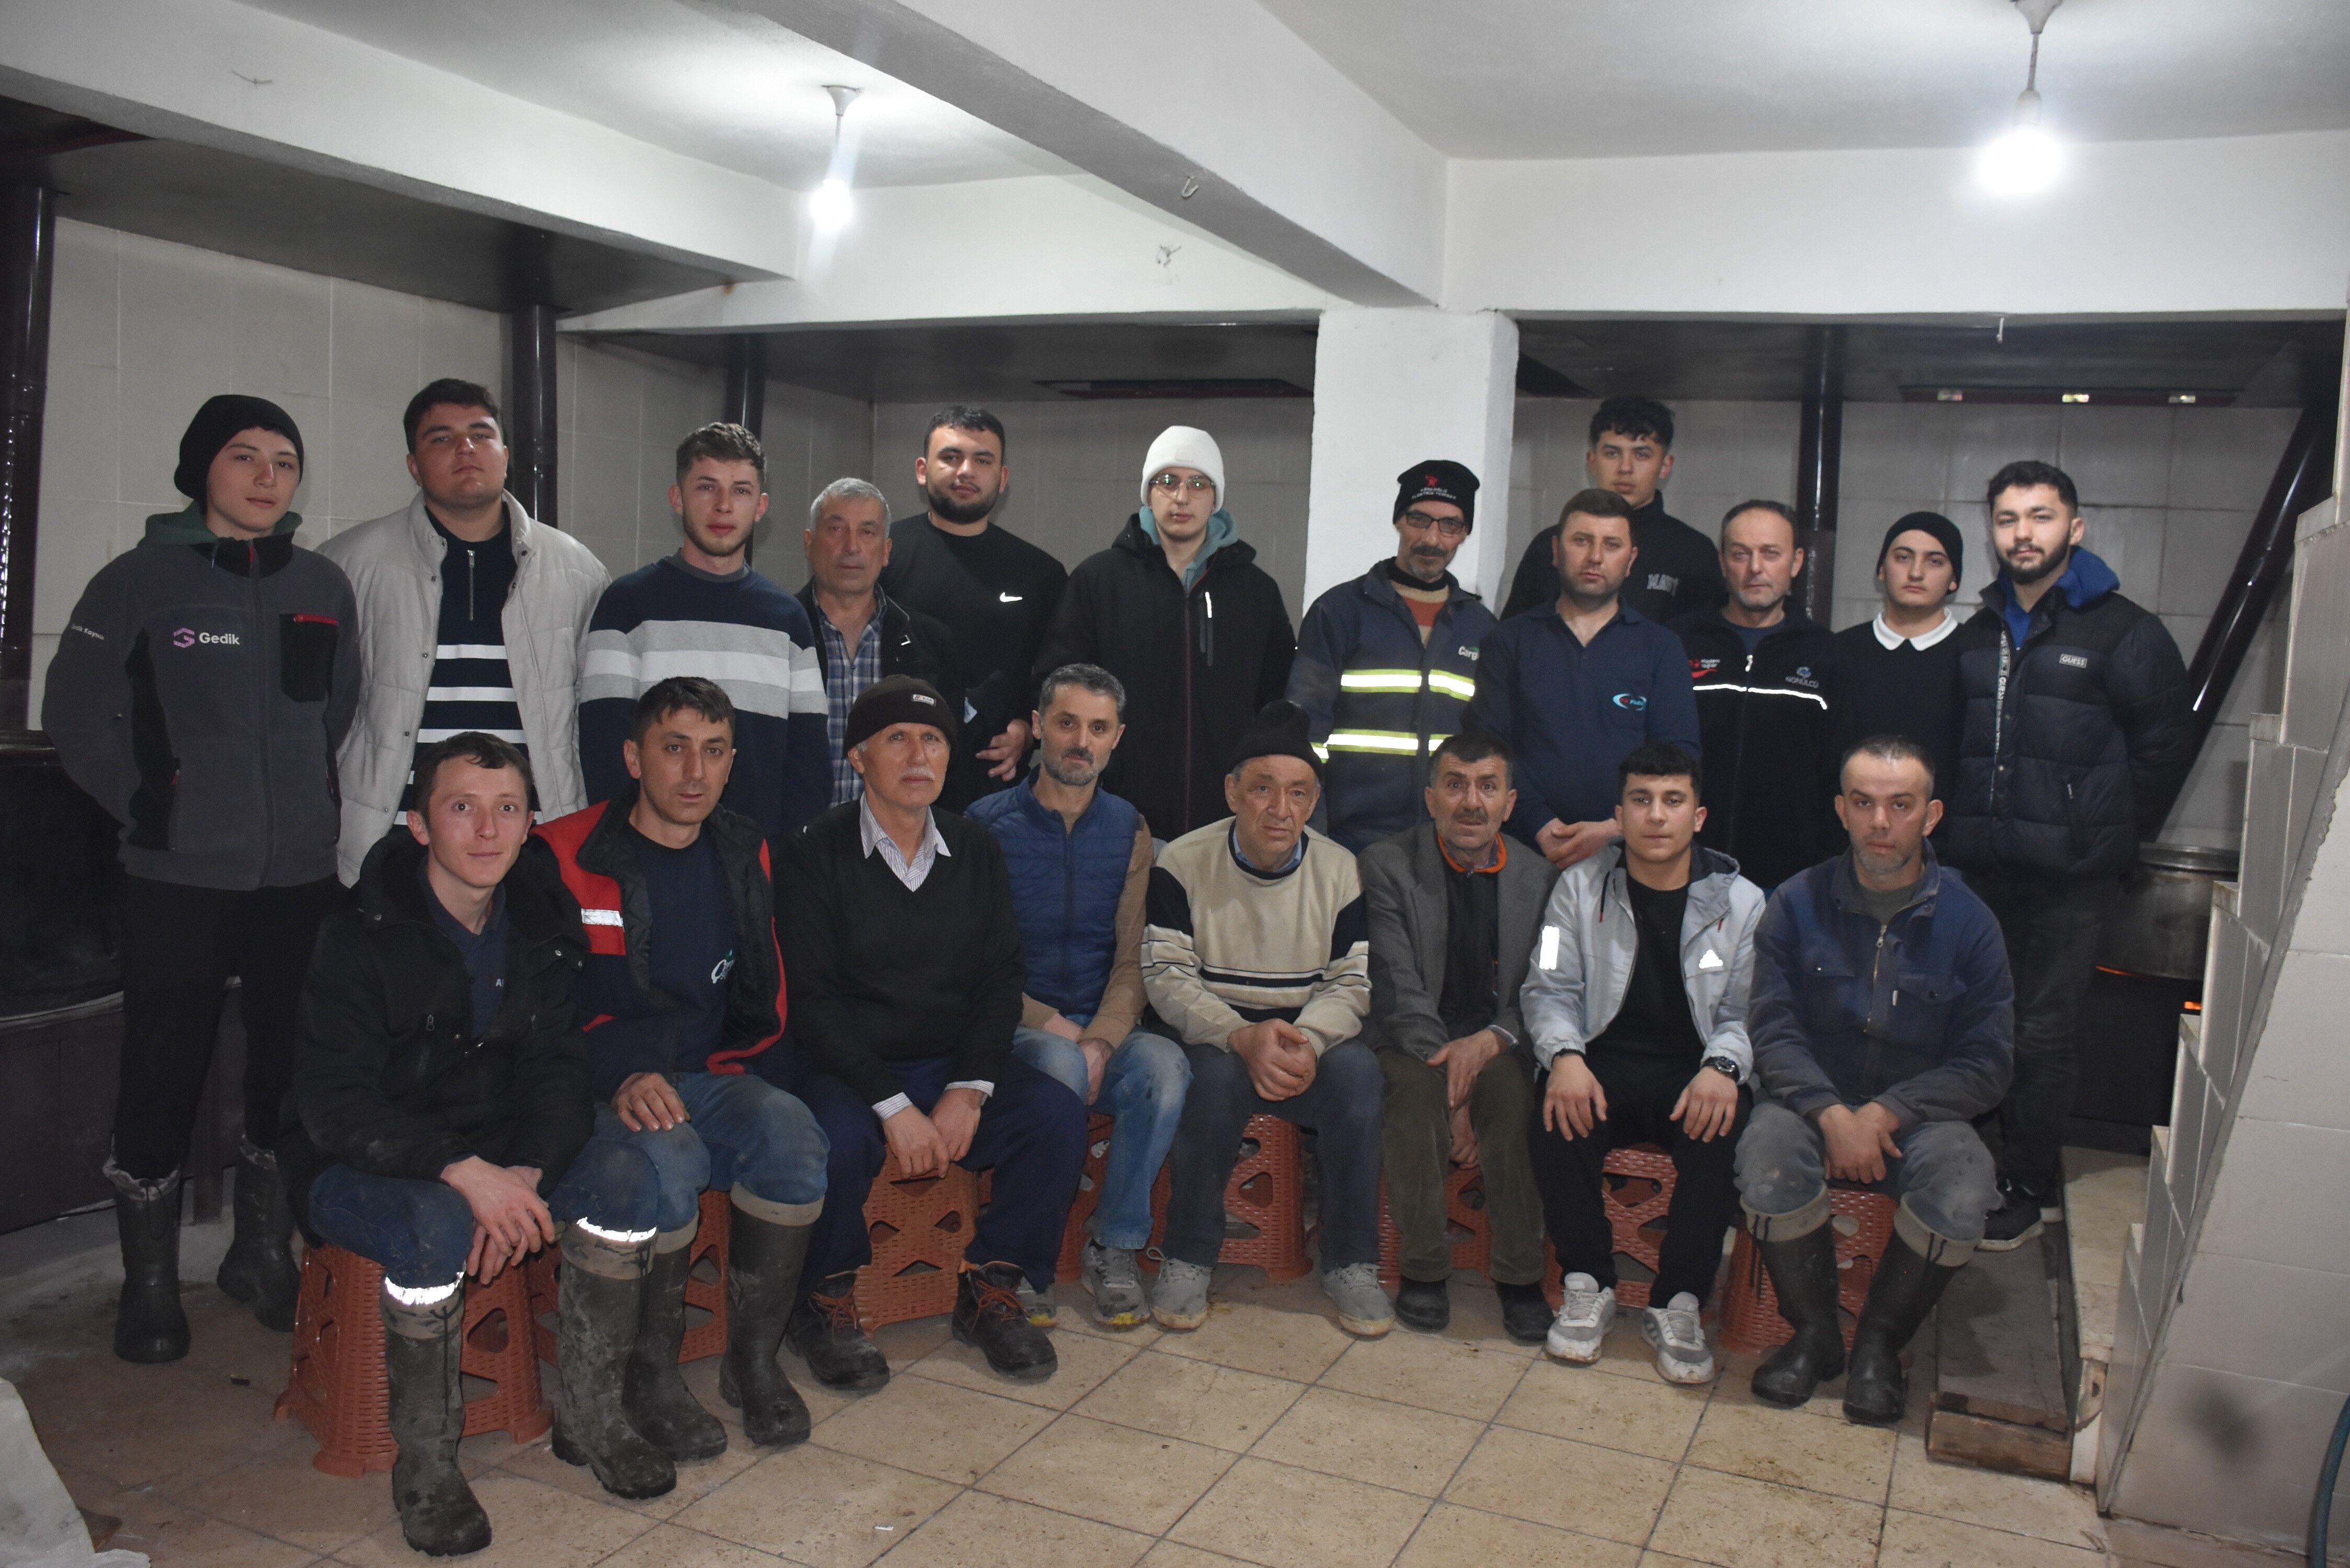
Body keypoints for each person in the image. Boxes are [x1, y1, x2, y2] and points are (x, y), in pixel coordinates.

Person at [282, 733, 657, 1553]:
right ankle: (426, 1464)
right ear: (420, 825)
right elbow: (332, 1104)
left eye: (507, 809)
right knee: (435, 1224)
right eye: (462, 808)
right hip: (358, 1160)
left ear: (529, 825)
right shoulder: (356, 933)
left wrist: (524, 1173)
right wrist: (462, 1173)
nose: (487, 831)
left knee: (627, 1179)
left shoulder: (539, 923)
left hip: (495, 1146)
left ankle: (593, 1414)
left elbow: (560, 1072)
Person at [44, 395, 359, 1361]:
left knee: (286, 1066)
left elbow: (335, 712)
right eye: (244, 457)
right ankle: (149, 1285)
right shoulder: (137, 582)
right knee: (162, 1067)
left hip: (298, 874)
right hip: (176, 875)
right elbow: (76, 716)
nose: (267, 478)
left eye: (284, 461)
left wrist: (303, 804)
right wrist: (158, 805)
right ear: (200, 469)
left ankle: (257, 1254)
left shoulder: (323, 584)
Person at [536, 676, 828, 1471]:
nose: (694, 772)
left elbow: (762, 987)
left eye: (714, 751)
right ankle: (651, 1377)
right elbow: (538, 1010)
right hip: (596, 1082)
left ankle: (751, 1361)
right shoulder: (563, 853)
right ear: (634, 758)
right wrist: (621, 1070)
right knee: (669, 1155)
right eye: (674, 748)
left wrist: (772, 1082)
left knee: (794, 1135)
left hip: (708, 1074)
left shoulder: (743, 847)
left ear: (732, 762)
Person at [778, 677, 1088, 1387]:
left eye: (934, 740)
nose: (919, 756)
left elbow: (1000, 980)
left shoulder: (975, 848)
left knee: (1054, 1116)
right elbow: (812, 1001)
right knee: (831, 1140)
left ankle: (991, 1287)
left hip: (949, 1062)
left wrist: (969, 1090)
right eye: (897, 739)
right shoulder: (811, 851)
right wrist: (893, 1106)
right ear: (858, 757)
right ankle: (822, 1302)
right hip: (850, 1069)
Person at [1945, 462, 2192, 1248]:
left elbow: (2165, 747)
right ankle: (1976, 1166)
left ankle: (2029, 1186)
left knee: (2043, 1036)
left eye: (2040, 516)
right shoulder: (1978, 632)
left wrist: (2103, 835)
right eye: (2007, 518)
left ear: (2074, 528)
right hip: (1983, 871)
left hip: (2070, 882)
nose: (2023, 533)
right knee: (1979, 1025)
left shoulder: (2124, 631)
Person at [1736, 736, 2014, 1424]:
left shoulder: (1971, 925)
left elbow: (1987, 1063)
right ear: (1841, 810)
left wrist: (1885, 1114)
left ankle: (1879, 1346)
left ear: (1932, 815)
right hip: (1808, 1103)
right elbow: (1772, 1030)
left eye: (1900, 805)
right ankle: (1815, 1335)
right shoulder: (1795, 904)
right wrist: (1831, 1114)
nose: (1880, 823)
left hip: (1922, 1117)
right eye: (1863, 804)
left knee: (1965, 1185)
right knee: (1766, 1157)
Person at [1520, 743, 1762, 1383]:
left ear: (1698, 817)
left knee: (1724, 1129)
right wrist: (1564, 1055)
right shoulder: (1575, 888)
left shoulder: (1743, 905)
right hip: (1600, 1062)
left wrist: (1723, 1068)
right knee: (1553, 1110)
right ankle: (1586, 1282)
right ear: (1619, 815)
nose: (1656, 815)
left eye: (1672, 801)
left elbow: (1748, 1013)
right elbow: (1546, 988)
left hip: (1694, 1070)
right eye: (1641, 800)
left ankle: (1678, 1301)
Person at [1142, 701, 1385, 1336]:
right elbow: (1166, 978)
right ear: (1231, 792)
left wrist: (1307, 1040)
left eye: (1298, 793)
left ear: (1314, 801)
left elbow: (1351, 982)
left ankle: (1351, 1262)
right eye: (1262, 789)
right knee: (1211, 1080)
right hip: (1216, 1038)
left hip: (1301, 1039)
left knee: (1358, 1075)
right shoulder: (1183, 863)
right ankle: (1188, 1256)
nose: (1280, 809)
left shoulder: (1339, 870)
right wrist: (1239, 1036)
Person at [318, 377, 610, 884]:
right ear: (413, 465)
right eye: (441, 438)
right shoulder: (350, 565)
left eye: (481, 434)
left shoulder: (578, 571)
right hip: (392, 841)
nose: (465, 449)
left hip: (533, 842)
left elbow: (593, 715)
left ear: (506, 455)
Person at [969, 664, 1189, 1329]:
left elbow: (1133, 958)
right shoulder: (984, 825)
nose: (1080, 742)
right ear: (1038, 727)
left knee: (1165, 1069)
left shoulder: (1129, 828)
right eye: (1067, 724)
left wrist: (1101, 1038)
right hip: (1014, 1028)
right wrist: (1063, 1033)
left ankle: (1113, 1245)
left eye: (1098, 729)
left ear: (1116, 738)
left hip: (1103, 1025)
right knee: (1060, 1068)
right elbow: (976, 964)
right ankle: (1025, 1260)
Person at [1357, 731, 1551, 1342]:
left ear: (1509, 803)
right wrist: (1452, 1085)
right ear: (1430, 798)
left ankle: (1519, 1276)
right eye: (1455, 785)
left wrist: (1491, 1043)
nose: (1471, 802)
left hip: (1497, 1041)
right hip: (1410, 1039)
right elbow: (1395, 985)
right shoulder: (1386, 866)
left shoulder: (1542, 880)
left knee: (1515, 1099)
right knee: (1416, 1099)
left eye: (1487, 787)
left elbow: (1544, 988)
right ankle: (1422, 1268)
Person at [1036, 426, 1295, 840]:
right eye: (1168, 481)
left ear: (1216, 497)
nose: (1182, 497)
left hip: (1225, 820)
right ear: (1148, 492)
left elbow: (1276, 701)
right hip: (1116, 816)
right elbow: (1060, 688)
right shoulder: (1099, 580)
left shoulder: (1256, 591)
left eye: (1199, 484)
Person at [578, 423, 830, 841]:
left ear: (761, 506)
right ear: (677, 498)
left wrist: (781, 859)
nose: (724, 506)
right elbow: (604, 754)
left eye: (741, 491)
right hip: (647, 856)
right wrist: (631, 855)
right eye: (707, 488)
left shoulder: (787, 619)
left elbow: (809, 767)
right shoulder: (627, 606)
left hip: (756, 862)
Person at [1464, 488, 1700, 869]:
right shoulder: (1509, 641)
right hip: (1521, 850)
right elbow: (1488, 748)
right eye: (1582, 541)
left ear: (1631, 560)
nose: (1595, 557)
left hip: (1627, 855)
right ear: (1556, 551)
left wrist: (1616, 828)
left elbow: (1678, 757)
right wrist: (1540, 824)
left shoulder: (1661, 648)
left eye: (1612, 545)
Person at [1287, 459, 1499, 851]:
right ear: (1398, 520)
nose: (1432, 538)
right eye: (1420, 520)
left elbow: (1489, 744)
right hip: (1348, 839)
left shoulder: (1481, 628)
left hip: (1445, 841)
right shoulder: (1339, 611)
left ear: (1465, 532)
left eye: (1450, 525)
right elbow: (1305, 730)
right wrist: (1314, 830)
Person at [878, 407, 1067, 808]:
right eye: (951, 457)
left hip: (994, 789)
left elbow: (1056, 674)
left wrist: (1027, 730)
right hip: (892, 780)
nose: (966, 471)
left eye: (983, 460)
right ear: (922, 470)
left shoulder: (1040, 573)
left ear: (1002, 478)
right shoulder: (881, 556)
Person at [1670, 500, 1842, 890]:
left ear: (1796, 562)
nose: (1755, 569)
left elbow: (1837, 776)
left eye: (1771, 553)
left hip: (1789, 882)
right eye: (1741, 554)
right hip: (1683, 870)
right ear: (1722, 562)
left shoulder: (1828, 656)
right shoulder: (1676, 643)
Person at [794, 476, 957, 806]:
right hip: (798, 831)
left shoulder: (930, 642)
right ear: (809, 543)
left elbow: (946, 754)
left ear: (886, 551)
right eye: (836, 529)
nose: (852, 547)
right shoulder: (780, 633)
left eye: (867, 532)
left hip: (896, 830)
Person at [1501, 397, 1723, 623]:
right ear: (1592, 461)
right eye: (1612, 453)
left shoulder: (1694, 554)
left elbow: (1708, 639)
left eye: (1642, 455)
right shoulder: (1551, 547)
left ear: (1665, 466)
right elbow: (1514, 635)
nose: (1625, 468)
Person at [1830, 512, 1968, 798]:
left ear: (1954, 579)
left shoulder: (1976, 656)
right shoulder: (1838, 652)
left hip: (1946, 824)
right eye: (1903, 558)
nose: (1916, 573)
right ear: (1882, 570)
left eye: (1935, 561)